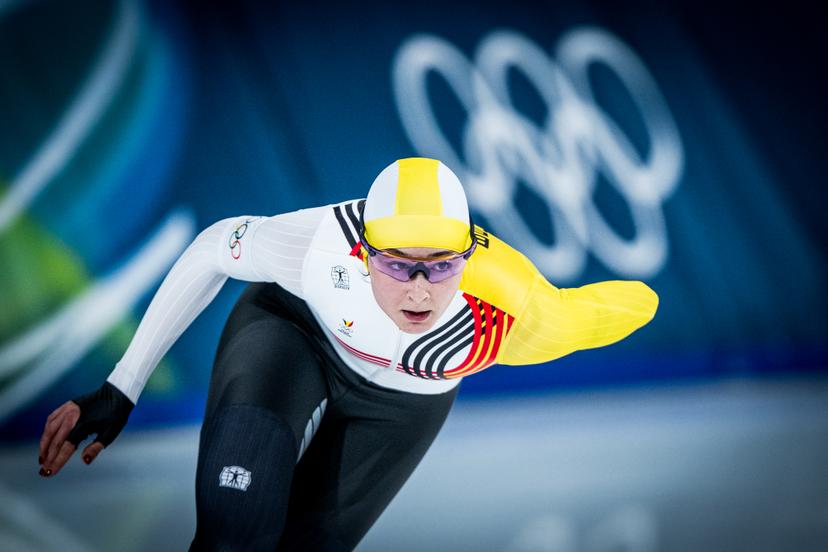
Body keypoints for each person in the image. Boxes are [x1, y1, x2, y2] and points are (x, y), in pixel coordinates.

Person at [38, 157, 659, 551]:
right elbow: (209, 249)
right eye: (397, 264)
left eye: (441, 266)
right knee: (236, 528)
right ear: (363, 253)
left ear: (469, 259)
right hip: (293, 333)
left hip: (404, 400)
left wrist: (645, 300)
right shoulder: (318, 246)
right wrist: (122, 387)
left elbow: (594, 316)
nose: (419, 288)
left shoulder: (507, 310)